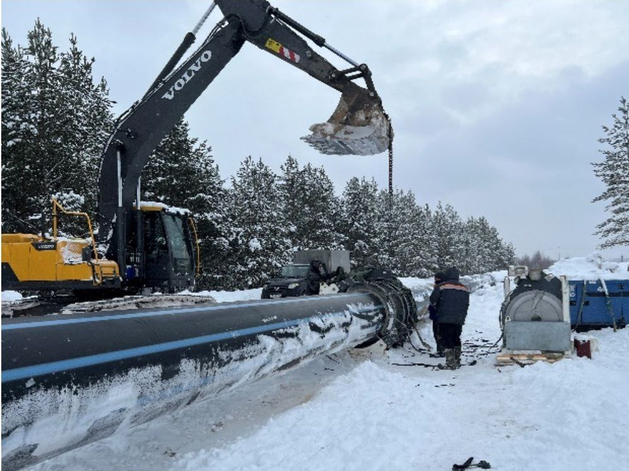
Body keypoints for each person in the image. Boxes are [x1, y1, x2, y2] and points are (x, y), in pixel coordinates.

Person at [429, 266, 470, 369]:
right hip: (458, 318)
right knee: (456, 337)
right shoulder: (464, 288)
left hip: (444, 318)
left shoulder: (442, 286)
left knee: (447, 339)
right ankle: (457, 359)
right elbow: (466, 304)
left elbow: (433, 300)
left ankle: (450, 363)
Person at [428, 272, 445, 357]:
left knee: (438, 333)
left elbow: (433, 300)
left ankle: (440, 351)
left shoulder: (438, 287)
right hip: (446, 315)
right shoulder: (447, 286)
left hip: (438, 314)